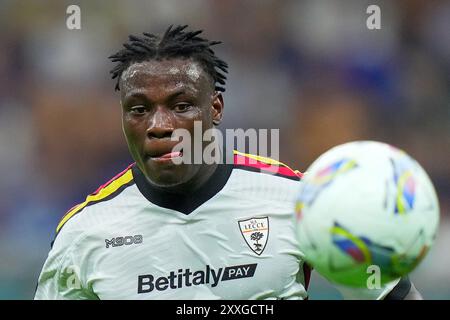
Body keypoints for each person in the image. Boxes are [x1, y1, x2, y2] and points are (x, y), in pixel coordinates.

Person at [34, 25, 421, 300]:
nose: (159, 126)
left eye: (181, 106)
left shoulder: (301, 200)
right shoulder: (84, 233)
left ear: (215, 108)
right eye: (138, 109)